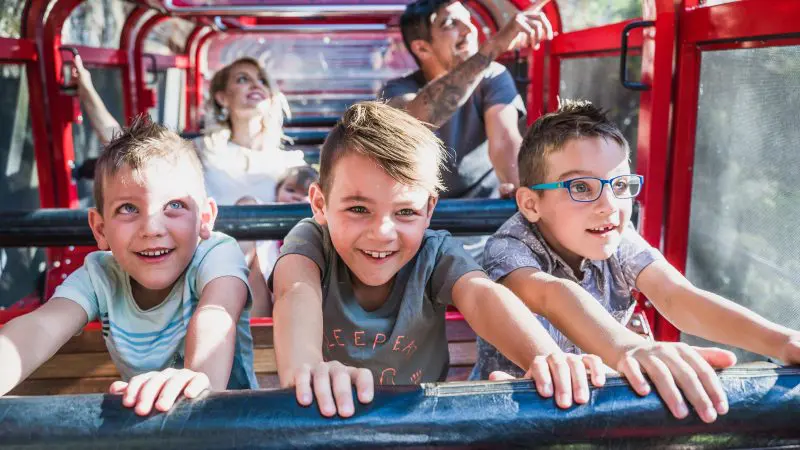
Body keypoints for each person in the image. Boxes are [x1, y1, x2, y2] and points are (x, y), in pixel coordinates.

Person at [270, 101, 619, 419]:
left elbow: (481, 295)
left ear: (429, 209)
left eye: (406, 211)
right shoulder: (312, 242)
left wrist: (545, 358)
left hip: (420, 426)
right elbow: (295, 291)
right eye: (358, 209)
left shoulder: (433, 253)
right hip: (327, 420)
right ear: (319, 204)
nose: (382, 232)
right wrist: (307, 368)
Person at [473, 100, 800, 423]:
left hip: (598, 403)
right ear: (531, 203)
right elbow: (551, 295)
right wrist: (626, 348)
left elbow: (676, 296)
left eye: (619, 185)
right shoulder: (508, 246)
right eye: (581, 187)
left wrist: (781, 341)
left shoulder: (616, 237)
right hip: (515, 410)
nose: (609, 205)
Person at [0, 117, 258, 415]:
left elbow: (217, 313)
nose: (151, 228)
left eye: (174, 205)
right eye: (128, 208)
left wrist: (197, 379)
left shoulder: (216, 254)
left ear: (205, 219)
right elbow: (40, 326)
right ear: (100, 229)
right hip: (147, 425)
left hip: (235, 422)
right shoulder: (99, 275)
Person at [73, 55, 304, 318]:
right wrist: (86, 87)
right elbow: (126, 148)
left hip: (269, 267)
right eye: (243, 79)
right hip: (204, 252)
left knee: (255, 237)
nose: (255, 85)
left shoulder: (290, 163)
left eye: (262, 81)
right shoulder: (203, 151)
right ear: (222, 98)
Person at [380, 0, 551, 261]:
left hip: (485, 224)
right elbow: (414, 119)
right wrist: (492, 48)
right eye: (451, 24)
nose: (469, 29)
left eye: (468, 19)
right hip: (419, 232)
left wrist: (525, 193)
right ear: (422, 47)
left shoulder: (492, 76)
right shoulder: (397, 90)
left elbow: (505, 142)